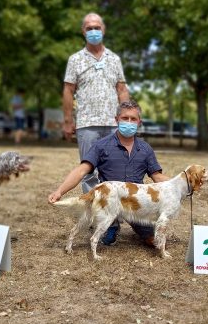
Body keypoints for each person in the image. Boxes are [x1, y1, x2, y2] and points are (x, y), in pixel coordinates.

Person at [48, 100, 168, 246]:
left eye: (133, 119)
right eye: (125, 118)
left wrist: (182, 183)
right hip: (109, 203)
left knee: (154, 242)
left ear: (139, 122)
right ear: (116, 120)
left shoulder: (145, 149)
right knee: (106, 240)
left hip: (136, 204)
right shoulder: (101, 146)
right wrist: (59, 191)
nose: (129, 122)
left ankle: (141, 228)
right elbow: (81, 171)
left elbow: (158, 177)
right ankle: (112, 227)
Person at [62, 12, 130, 193]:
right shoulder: (75, 59)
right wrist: (68, 121)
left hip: (113, 124)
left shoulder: (114, 59)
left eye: (97, 28)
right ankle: (94, 213)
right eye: (89, 28)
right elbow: (68, 91)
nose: (93, 31)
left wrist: (127, 117)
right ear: (83, 31)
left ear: (104, 29)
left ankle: (114, 212)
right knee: (89, 171)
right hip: (87, 124)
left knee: (115, 169)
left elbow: (122, 90)